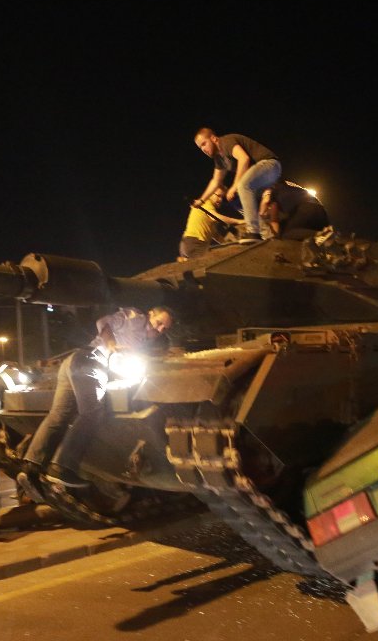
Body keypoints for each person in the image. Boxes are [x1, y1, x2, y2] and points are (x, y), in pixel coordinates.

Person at [18, 306, 173, 497]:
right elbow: (104, 322)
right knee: (92, 413)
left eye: (165, 328)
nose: (160, 329)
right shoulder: (136, 318)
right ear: (150, 314)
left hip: (75, 361)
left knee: (58, 416)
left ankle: (30, 468)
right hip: (92, 362)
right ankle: (62, 467)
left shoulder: (142, 339)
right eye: (159, 322)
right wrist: (112, 345)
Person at [193, 128, 281, 242]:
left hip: (270, 166)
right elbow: (215, 181)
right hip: (260, 179)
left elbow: (244, 159)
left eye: (204, 144)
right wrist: (202, 200)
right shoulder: (219, 159)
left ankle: (253, 231)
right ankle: (266, 235)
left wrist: (234, 185)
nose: (203, 149)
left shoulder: (225, 142)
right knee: (237, 200)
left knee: (242, 186)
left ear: (213, 138)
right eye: (200, 148)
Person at [178, 187, 243, 261]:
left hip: (188, 244)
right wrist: (238, 221)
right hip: (195, 243)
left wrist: (227, 244)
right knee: (214, 261)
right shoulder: (206, 203)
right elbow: (216, 217)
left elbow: (215, 234)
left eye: (222, 197)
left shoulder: (208, 211)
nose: (220, 199)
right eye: (218, 196)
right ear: (210, 194)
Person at [260, 180, 329, 240]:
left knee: (285, 235)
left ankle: (320, 234)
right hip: (321, 211)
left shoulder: (271, 190)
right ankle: (324, 233)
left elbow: (266, 201)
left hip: (306, 209)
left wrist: (262, 212)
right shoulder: (287, 185)